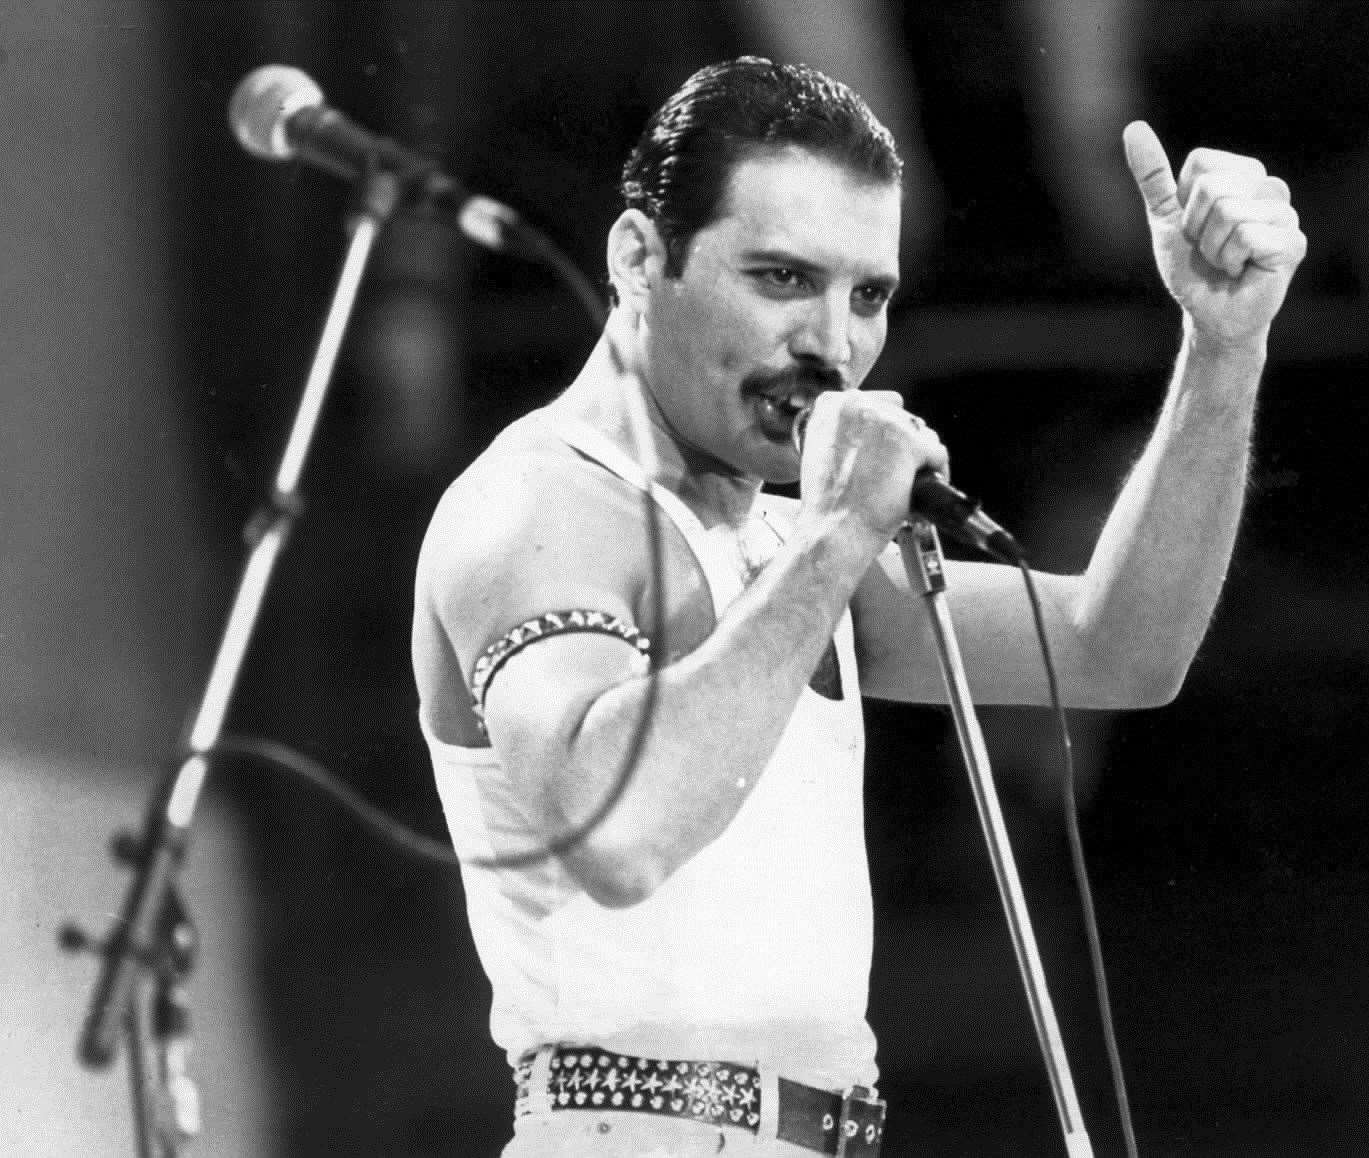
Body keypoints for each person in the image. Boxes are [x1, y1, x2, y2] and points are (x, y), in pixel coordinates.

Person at [412, 56, 1305, 1157]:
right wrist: (837, 537)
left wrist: (1222, 349)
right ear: (640, 257)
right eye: (782, 277)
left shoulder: (784, 547)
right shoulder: (537, 508)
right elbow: (621, 835)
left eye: (867, 295)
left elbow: (1117, 651)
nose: (832, 345)